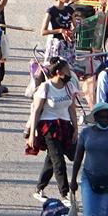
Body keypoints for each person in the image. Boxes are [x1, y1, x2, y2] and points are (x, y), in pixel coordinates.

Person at [27, 57, 79, 204]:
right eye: (66, 71)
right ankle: (65, 194)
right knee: (58, 161)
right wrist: (32, 134)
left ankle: (39, 189)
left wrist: (75, 129)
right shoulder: (46, 87)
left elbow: (72, 109)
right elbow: (36, 112)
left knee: (54, 158)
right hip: (49, 128)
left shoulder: (69, 87)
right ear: (58, 72)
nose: (69, 73)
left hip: (64, 127)